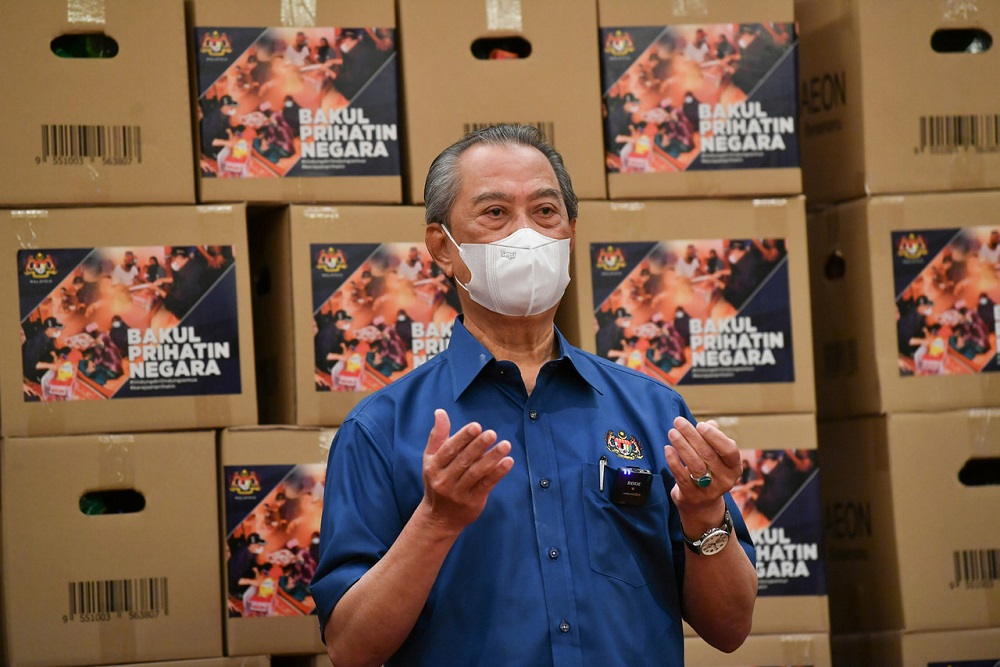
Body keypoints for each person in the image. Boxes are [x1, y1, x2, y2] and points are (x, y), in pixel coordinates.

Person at [310, 124, 756, 666]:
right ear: (442, 249)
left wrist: (706, 513)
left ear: (570, 230)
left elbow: (730, 627)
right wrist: (437, 520)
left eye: (545, 212)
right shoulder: (382, 429)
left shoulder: (652, 411)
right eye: (495, 213)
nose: (527, 234)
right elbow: (351, 648)